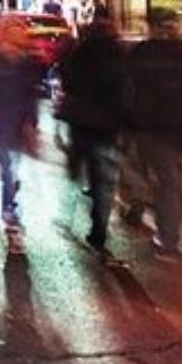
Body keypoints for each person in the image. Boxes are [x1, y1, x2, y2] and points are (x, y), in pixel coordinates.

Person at [126, 9, 182, 259]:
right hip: (167, 125)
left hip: (153, 125)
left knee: (163, 178)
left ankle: (164, 233)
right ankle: (167, 237)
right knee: (169, 180)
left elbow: (130, 87)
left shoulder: (142, 53)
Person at [56, 20, 128, 259]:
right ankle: (99, 227)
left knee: (82, 157)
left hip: (82, 120)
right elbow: (126, 89)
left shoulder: (79, 54)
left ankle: (75, 173)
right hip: (107, 124)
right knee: (102, 179)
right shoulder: (119, 56)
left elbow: (66, 78)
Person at [0, 16, 44, 253]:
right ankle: (10, 214)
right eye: (14, 31)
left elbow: (31, 94)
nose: (20, 36)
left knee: (13, 167)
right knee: (9, 167)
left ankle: (11, 204)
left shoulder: (25, 61)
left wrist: (32, 122)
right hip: (1, 121)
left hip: (19, 122)